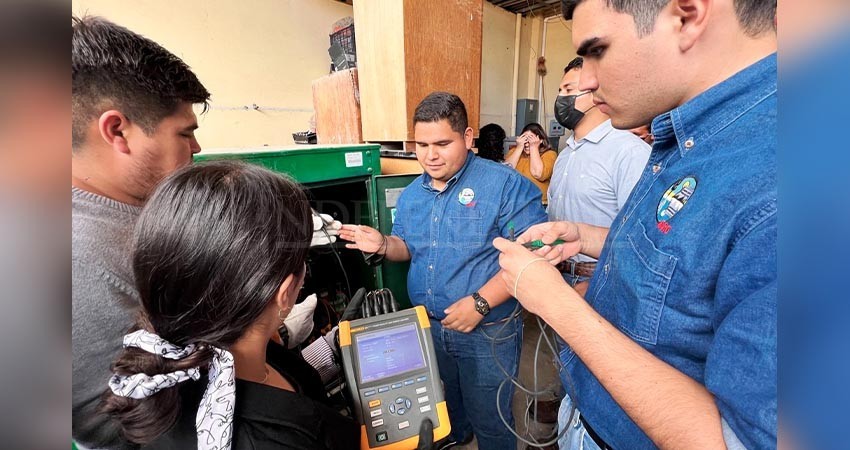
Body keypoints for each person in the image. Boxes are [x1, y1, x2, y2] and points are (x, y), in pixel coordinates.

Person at [494, 0, 777, 449]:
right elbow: (689, 260)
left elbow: (734, 440)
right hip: (588, 413)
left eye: (598, 50)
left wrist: (559, 307)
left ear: (687, 16)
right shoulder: (690, 135)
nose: (585, 81)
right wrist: (586, 236)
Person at [71, 17, 325, 449]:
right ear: (117, 131)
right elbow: (124, 428)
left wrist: (271, 337)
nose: (196, 149)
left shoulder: (147, 205)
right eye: (184, 132)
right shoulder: (75, 262)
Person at [100, 161, 360, 450]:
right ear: (285, 292)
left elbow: (275, 389)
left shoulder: (186, 361)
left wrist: (331, 348)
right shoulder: (277, 441)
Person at [339, 92, 547, 450]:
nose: (430, 155)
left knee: (492, 418)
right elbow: (407, 246)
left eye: (442, 143)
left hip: (487, 331)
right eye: (421, 144)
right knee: (445, 406)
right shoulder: (412, 194)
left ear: (467, 138)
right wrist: (385, 244)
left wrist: (481, 303)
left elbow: (535, 252)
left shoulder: (504, 185)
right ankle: (458, 435)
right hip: (430, 329)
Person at [548, 56, 650, 295]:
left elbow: (641, 239)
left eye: (569, 90)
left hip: (602, 281)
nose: (561, 98)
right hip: (560, 277)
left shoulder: (629, 152)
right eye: (559, 90)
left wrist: (597, 283)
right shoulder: (565, 153)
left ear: (596, 93)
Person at [504, 123, 558, 205]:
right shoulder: (514, 152)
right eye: (525, 139)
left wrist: (534, 147)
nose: (527, 143)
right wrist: (519, 147)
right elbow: (506, 172)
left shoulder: (550, 154)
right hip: (514, 202)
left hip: (538, 203)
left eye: (531, 139)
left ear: (541, 140)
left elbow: (538, 174)